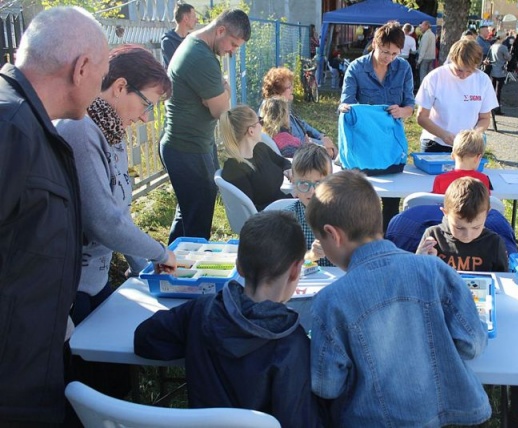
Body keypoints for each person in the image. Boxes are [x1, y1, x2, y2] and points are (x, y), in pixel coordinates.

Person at [306, 170, 491, 427]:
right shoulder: (435, 270)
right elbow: (473, 343)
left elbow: (327, 385)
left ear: (333, 234)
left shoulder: (329, 302)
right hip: (436, 413)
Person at [0, 7, 109, 426]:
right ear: (81, 69)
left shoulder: (31, 124)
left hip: (33, 365)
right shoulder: (10, 128)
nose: (100, 89)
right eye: (101, 75)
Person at [134, 211, 326, 428]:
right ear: (295, 271)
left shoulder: (201, 311)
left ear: (239, 266)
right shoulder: (292, 344)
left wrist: (193, 340)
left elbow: (144, 338)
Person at [56, 45, 178, 326]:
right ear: (120, 87)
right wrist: (160, 254)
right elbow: (104, 222)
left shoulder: (111, 131)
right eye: (147, 104)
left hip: (95, 282)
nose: (146, 117)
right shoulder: (80, 130)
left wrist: (144, 269)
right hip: (70, 289)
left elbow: (120, 215)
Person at [415, 177, 518, 426]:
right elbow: (416, 278)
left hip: (482, 317)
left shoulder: (493, 242)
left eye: (476, 227)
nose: (467, 235)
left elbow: (502, 285)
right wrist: (421, 259)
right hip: (439, 318)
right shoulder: (432, 236)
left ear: (487, 216)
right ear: (444, 212)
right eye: (459, 227)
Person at [161, 8, 251, 244]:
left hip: (192, 144)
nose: (232, 51)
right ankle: (188, 264)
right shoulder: (200, 57)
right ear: (220, 30)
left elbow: (217, 101)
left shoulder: (200, 47)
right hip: (187, 148)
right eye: (233, 44)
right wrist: (225, 91)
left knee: (189, 212)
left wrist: (221, 93)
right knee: (198, 222)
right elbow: (220, 110)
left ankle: (169, 260)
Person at [339, 20, 415, 231]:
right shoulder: (356, 68)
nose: (389, 58)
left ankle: (388, 239)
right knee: (359, 201)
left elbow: (410, 106)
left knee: (391, 203)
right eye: (385, 52)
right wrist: (345, 109)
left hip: (390, 148)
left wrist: (401, 111)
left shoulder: (404, 68)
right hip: (362, 146)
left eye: (395, 53)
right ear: (374, 44)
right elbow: (346, 103)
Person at [416, 38, 498, 153]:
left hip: (467, 146)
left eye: (469, 71)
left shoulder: (483, 80)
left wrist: (475, 134)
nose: (463, 75)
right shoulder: (435, 77)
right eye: (459, 70)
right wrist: (443, 134)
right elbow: (421, 117)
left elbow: (484, 118)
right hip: (435, 142)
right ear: (452, 60)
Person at [219, 105, 292, 211]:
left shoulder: (260, 149)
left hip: (284, 206)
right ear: (251, 131)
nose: (262, 127)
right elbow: (252, 210)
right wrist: (291, 199)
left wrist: (288, 169)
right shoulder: (234, 169)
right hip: (274, 217)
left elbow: (282, 161)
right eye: (260, 122)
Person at [262, 67, 337, 158]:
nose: (292, 89)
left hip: (307, 149)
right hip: (304, 155)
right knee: (330, 152)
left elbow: (304, 125)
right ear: (278, 92)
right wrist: (322, 144)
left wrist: (322, 137)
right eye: (289, 87)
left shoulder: (285, 108)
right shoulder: (275, 114)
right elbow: (295, 144)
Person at [285, 144, 333, 266]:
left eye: (319, 183)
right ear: (293, 181)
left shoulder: (345, 216)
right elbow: (285, 261)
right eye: (304, 183)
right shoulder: (288, 220)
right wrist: (311, 255)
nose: (312, 191)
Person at [432, 130, 490, 194]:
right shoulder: (483, 180)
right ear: (478, 157)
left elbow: (434, 199)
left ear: (452, 156)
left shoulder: (440, 179)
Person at [161, 3, 197, 68]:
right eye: (194, 16)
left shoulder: (193, 40)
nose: (196, 20)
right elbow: (176, 67)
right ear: (186, 19)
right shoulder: (168, 42)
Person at [489, 34, 511, 115]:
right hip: (500, 70)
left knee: (493, 89)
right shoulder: (503, 47)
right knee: (498, 91)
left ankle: (491, 108)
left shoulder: (492, 46)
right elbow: (508, 58)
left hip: (493, 69)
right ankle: (497, 108)